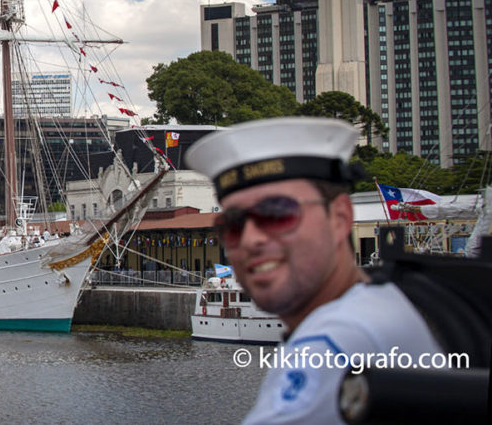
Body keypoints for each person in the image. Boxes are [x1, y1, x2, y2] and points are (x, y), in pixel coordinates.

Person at [186, 117, 442, 424]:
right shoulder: (381, 305)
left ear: (339, 218)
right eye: (233, 224)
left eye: (278, 213)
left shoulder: (334, 344)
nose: (251, 239)